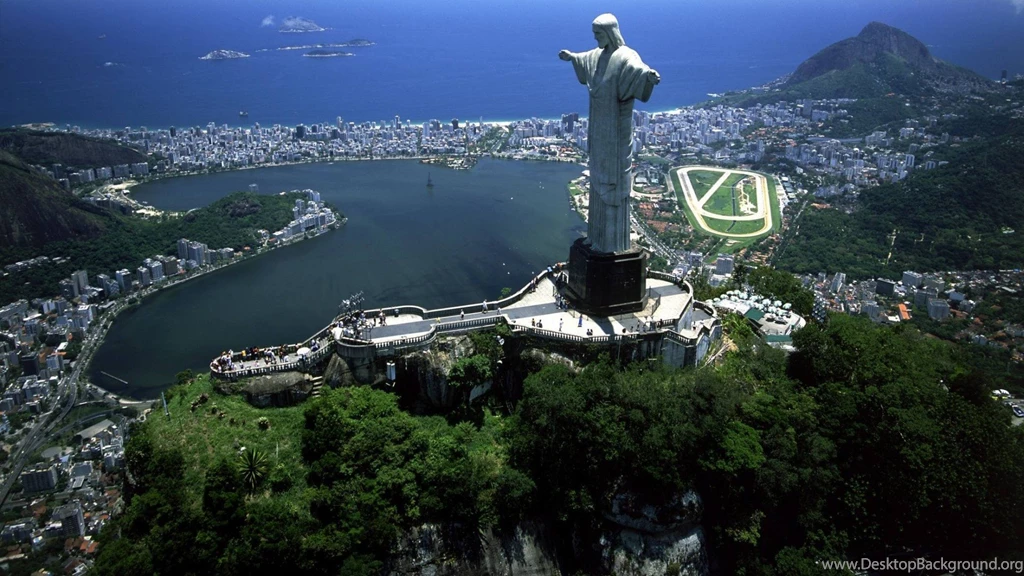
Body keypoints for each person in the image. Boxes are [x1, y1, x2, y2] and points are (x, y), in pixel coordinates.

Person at [559, 14, 659, 253]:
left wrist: (649, 77)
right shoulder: (597, 54)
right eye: (594, 35)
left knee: (614, 182)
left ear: (611, 33)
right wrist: (572, 57)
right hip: (599, 130)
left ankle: (613, 243)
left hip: (616, 131)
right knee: (596, 179)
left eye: (599, 34)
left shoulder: (626, 56)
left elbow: (639, 71)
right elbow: (585, 61)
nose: (596, 39)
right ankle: (596, 238)